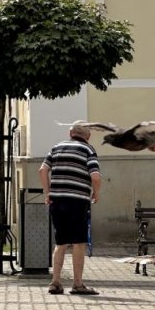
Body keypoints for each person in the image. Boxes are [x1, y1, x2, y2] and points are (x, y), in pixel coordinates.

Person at [39, 124, 102, 295]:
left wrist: (47, 192)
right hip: (78, 202)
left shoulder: (57, 147)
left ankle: (55, 282)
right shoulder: (88, 150)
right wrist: (96, 194)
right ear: (87, 137)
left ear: (70, 134)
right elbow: (95, 177)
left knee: (60, 242)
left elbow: (43, 169)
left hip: (57, 201)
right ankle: (78, 284)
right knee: (79, 243)